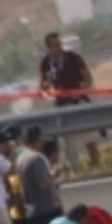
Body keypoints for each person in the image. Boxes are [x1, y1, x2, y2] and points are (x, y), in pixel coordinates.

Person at [40, 32, 102, 169]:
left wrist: (80, 91)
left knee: (90, 138)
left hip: (78, 101)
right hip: (62, 104)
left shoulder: (73, 58)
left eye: (59, 44)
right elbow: (44, 88)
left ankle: (97, 167)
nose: (59, 47)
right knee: (68, 141)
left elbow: (88, 78)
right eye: (55, 45)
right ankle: (77, 169)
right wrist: (47, 82)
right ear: (49, 47)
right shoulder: (46, 63)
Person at [13, 129, 63, 224]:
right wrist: (54, 175)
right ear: (38, 140)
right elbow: (42, 185)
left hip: (31, 211)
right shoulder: (37, 158)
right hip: (45, 209)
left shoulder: (21, 158)